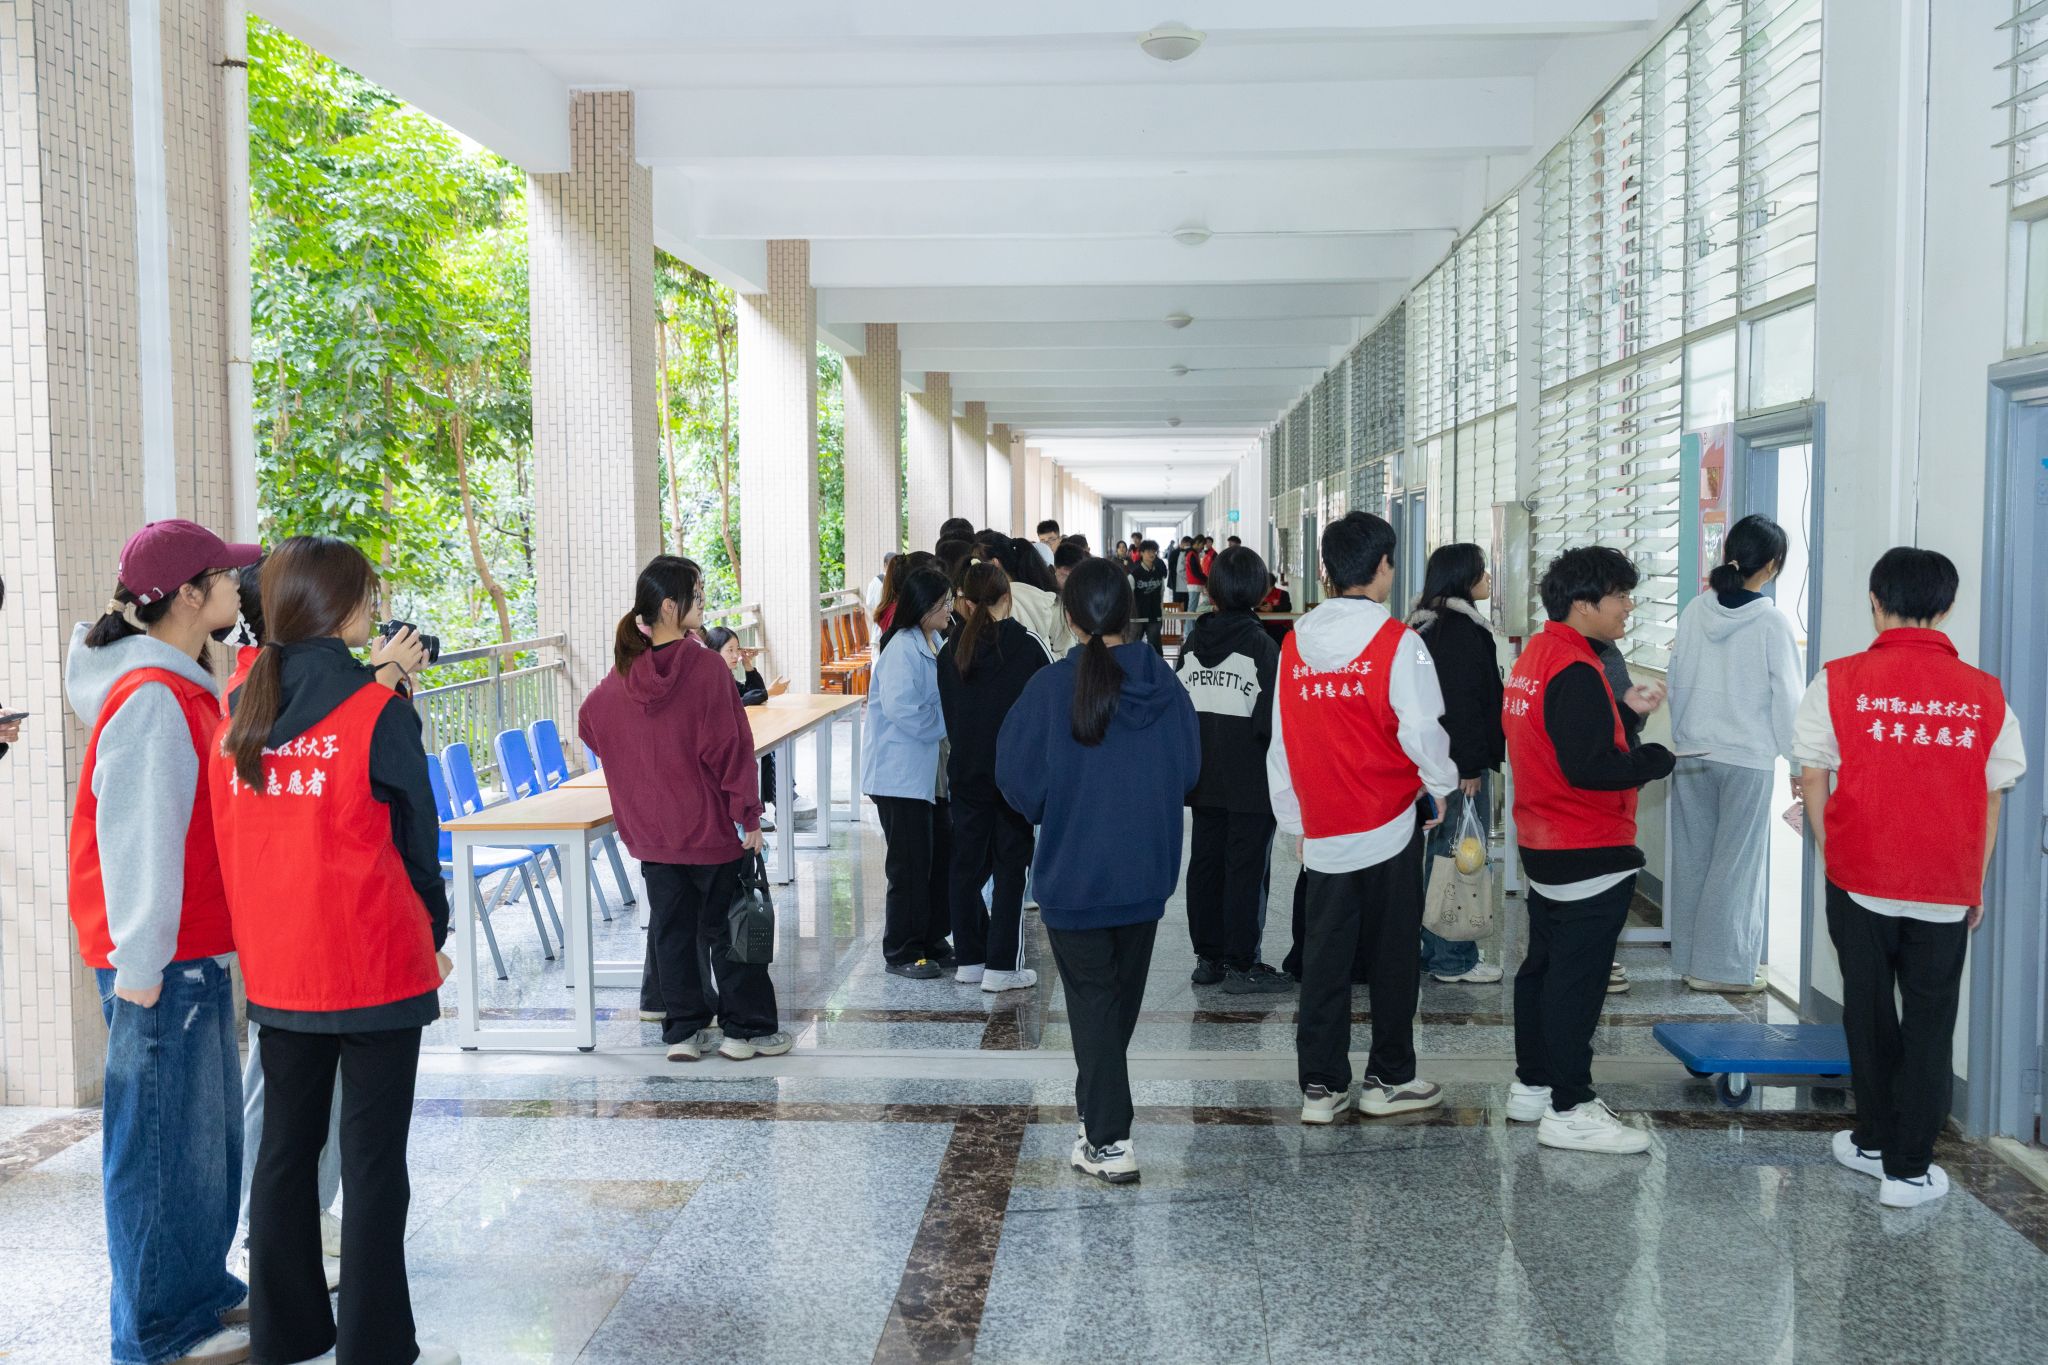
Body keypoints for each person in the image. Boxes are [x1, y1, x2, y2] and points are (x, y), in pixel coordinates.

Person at [209, 535, 460, 1365]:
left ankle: (286, 1334)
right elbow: (419, 847)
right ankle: (374, 1344)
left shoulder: (239, 714)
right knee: (373, 1161)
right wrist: (434, 933)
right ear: (347, 608)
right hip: (374, 965)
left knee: (285, 1152)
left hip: (283, 970)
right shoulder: (377, 712)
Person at [67, 519, 259, 1365]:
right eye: (225, 576)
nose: (237, 588)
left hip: (188, 953)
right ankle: (155, 1330)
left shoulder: (179, 685)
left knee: (201, 1145)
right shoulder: (151, 698)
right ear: (188, 595)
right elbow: (140, 839)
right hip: (160, 961)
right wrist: (141, 966)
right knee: (157, 1146)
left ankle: (199, 1293)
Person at [1794, 547, 2026, 1209]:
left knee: (1867, 1012)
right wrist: (1973, 882)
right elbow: (1992, 795)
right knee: (1930, 1022)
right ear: (1945, 607)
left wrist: (1833, 851)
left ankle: (1872, 1138)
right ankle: (1909, 1169)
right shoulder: (1985, 693)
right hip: (1944, 885)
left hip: (1858, 877)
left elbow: (1813, 775)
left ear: (1876, 602)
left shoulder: (1838, 679)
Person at [998, 558, 1201, 1184]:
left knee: (1095, 1007)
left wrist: (1053, 804)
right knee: (1112, 1009)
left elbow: (1017, 780)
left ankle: (1110, 1142)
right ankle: (1096, 1119)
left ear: (1069, 616)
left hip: (1075, 873)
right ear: (1129, 613)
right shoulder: (1165, 686)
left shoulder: (1050, 689)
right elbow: (1190, 771)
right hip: (1145, 874)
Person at [1268, 512, 1458, 1125]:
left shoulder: (1293, 644)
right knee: (1392, 955)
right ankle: (1389, 1078)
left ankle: (1320, 1087)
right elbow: (1422, 730)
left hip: (1324, 827)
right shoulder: (1401, 643)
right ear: (1382, 566)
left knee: (1324, 958)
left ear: (1327, 570)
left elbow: (1282, 743)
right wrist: (1440, 787)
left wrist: (1294, 822)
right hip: (1388, 823)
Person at [578, 555, 789, 1065]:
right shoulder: (707, 667)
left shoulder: (624, 673)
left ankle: (684, 1033)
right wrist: (749, 814)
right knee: (731, 931)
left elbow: (590, 723)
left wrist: (640, 772)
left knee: (674, 935)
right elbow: (731, 750)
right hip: (710, 830)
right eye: (697, 592)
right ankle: (744, 1031)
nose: (703, 600)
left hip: (653, 836)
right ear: (671, 606)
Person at [1503, 547, 1676, 1155]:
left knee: (1543, 969)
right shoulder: (1576, 669)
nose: (1629, 607)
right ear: (1583, 604)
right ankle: (1571, 1107)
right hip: (1586, 842)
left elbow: (1561, 736)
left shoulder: (1538, 656)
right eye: (1620, 596)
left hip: (1544, 838)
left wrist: (1624, 714)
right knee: (1576, 983)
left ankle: (1533, 1085)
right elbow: (1589, 767)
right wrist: (1653, 760)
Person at [1668, 514, 1804, 993]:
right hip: (1745, 759)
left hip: (1691, 754)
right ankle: (1722, 970)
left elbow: (1677, 677)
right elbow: (1788, 697)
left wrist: (1682, 737)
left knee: (1692, 860)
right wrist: (1797, 761)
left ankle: (1689, 960)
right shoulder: (1770, 621)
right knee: (1735, 865)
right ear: (1771, 565)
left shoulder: (1695, 609)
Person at [1177, 546, 1290, 995]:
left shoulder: (1192, 644)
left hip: (1203, 778)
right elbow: (1272, 724)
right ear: (1259, 591)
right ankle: (1242, 963)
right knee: (1246, 870)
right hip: (1250, 783)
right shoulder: (1262, 647)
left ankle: (1208, 958)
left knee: (1205, 865)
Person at [937, 561, 1053, 991]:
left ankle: (969, 959)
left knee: (965, 866)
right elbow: (1050, 702)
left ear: (965, 603)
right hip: (1013, 777)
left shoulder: (949, 650)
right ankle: (1003, 966)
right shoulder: (1027, 645)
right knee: (1011, 868)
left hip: (966, 771)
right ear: (1008, 598)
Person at [1408, 543, 1507, 985]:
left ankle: (1434, 949)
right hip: (1457, 764)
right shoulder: (1461, 632)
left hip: (1431, 760)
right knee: (1461, 855)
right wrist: (1470, 767)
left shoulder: (1425, 625)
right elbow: (1462, 704)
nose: (1487, 579)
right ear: (1463, 578)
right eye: (1481, 571)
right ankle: (1453, 958)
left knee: (1441, 854)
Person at [862, 566, 959, 978]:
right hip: (899, 777)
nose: (950, 608)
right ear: (924, 607)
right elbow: (905, 711)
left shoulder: (932, 640)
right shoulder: (902, 647)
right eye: (944, 602)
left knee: (937, 859)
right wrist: (950, 718)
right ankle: (901, 950)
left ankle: (932, 939)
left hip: (927, 774)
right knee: (909, 866)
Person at [705, 624, 790, 828]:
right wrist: (767, 692)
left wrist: (748, 665)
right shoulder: (711, 679)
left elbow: (751, 693)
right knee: (762, 751)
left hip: (733, 736)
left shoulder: (727, 675)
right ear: (713, 653)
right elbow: (738, 702)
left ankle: (769, 805)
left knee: (768, 747)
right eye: (730, 650)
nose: (736, 655)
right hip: (718, 746)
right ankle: (773, 804)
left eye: (737, 649)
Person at [1128, 540, 1168, 654]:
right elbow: (1128, 597)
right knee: (1132, 648)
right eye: (1148, 551)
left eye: (1154, 551)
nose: (1152, 554)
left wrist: (1161, 612)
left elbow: (1161, 594)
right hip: (1137, 618)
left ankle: (1156, 666)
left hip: (1154, 616)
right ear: (1141, 553)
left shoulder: (1159, 574)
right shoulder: (1134, 575)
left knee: (1156, 649)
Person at [863, 551, 897, 621]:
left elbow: (869, 603)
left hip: (879, 621)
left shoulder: (875, 581)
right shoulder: (900, 581)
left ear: (885, 565)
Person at [1184, 534, 1210, 610]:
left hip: (1195, 584)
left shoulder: (1192, 553)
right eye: (1202, 545)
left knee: (1193, 607)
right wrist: (1206, 579)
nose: (1203, 548)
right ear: (1198, 543)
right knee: (1192, 609)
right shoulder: (1191, 554)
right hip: (1194, 584)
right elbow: (1196, 572)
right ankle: (1189, 619)